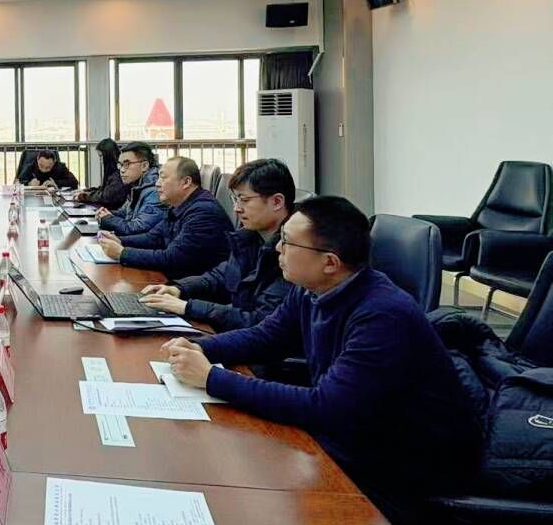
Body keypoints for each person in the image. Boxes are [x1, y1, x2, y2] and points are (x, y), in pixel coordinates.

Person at [163, 195, 482, 503]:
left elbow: (325, 408)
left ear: (330, 262)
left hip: (406, 464)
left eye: (287, 242)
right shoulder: (312, 288)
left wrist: (212, 379)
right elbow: (267, 336)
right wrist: (199, 347)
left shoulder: (383, 315)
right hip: (356, 434)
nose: (277, 248)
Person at [141, 158, 294, 332]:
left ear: (277, 202)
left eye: (244, 200)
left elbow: (259, 321)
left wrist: (188, 307)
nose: (236, 208)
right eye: (234, 199)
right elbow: (222, 275)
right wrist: (179, 289)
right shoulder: (251, 236)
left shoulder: (294, 250)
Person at [99, 156, 231, 278]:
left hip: (196, 288)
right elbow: (154, 237)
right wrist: (120, 240)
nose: (157, 183)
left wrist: (122, 253)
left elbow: (172, 258)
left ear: (186, 182)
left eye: (163, 178)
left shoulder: (203, 212)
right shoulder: (180, 205)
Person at [97, 142, 164, 236]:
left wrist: (108, 219)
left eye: (127, 164)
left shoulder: (155, 191)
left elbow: (137, 228)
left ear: (144, 166)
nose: (122, 170)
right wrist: (105, 214)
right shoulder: (137, 186)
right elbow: (125, 213)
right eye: (120, 165)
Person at [74, 139, 128, 209]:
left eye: (101, 156)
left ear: (108, 156)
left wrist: (85, 196)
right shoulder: (112, 172)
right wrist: (86, 191)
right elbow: (104, 189)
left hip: (113, 210)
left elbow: (106, 196)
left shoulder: (118, 174)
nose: (100, 160)